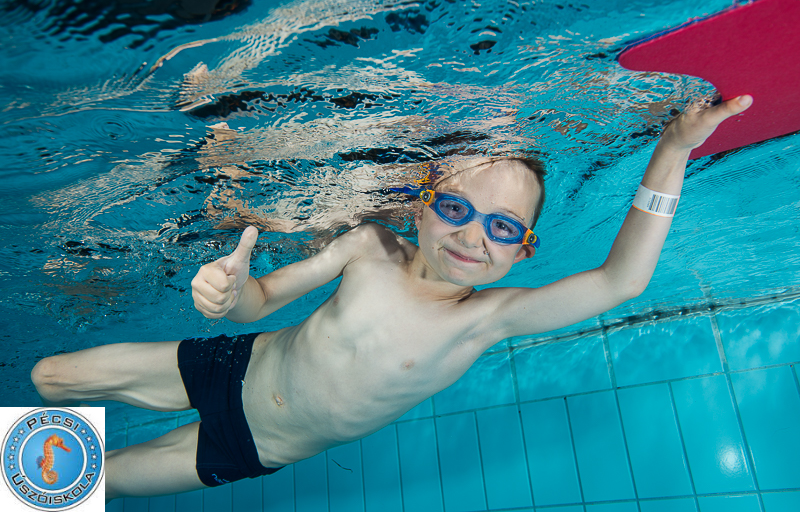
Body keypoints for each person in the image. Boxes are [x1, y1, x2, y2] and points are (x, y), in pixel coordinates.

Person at [30, 95, 753, 500]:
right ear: (420, 206)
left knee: (94, 479)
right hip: (227, 366)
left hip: (252, 446)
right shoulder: (368, 246)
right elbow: (262, 300)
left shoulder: (482, 321)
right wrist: (231, 293)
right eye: (457, 208)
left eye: (503, 227)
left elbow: (621, 280)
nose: (473, 236)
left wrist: (673, 150)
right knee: (48, 377)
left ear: (524, 248)